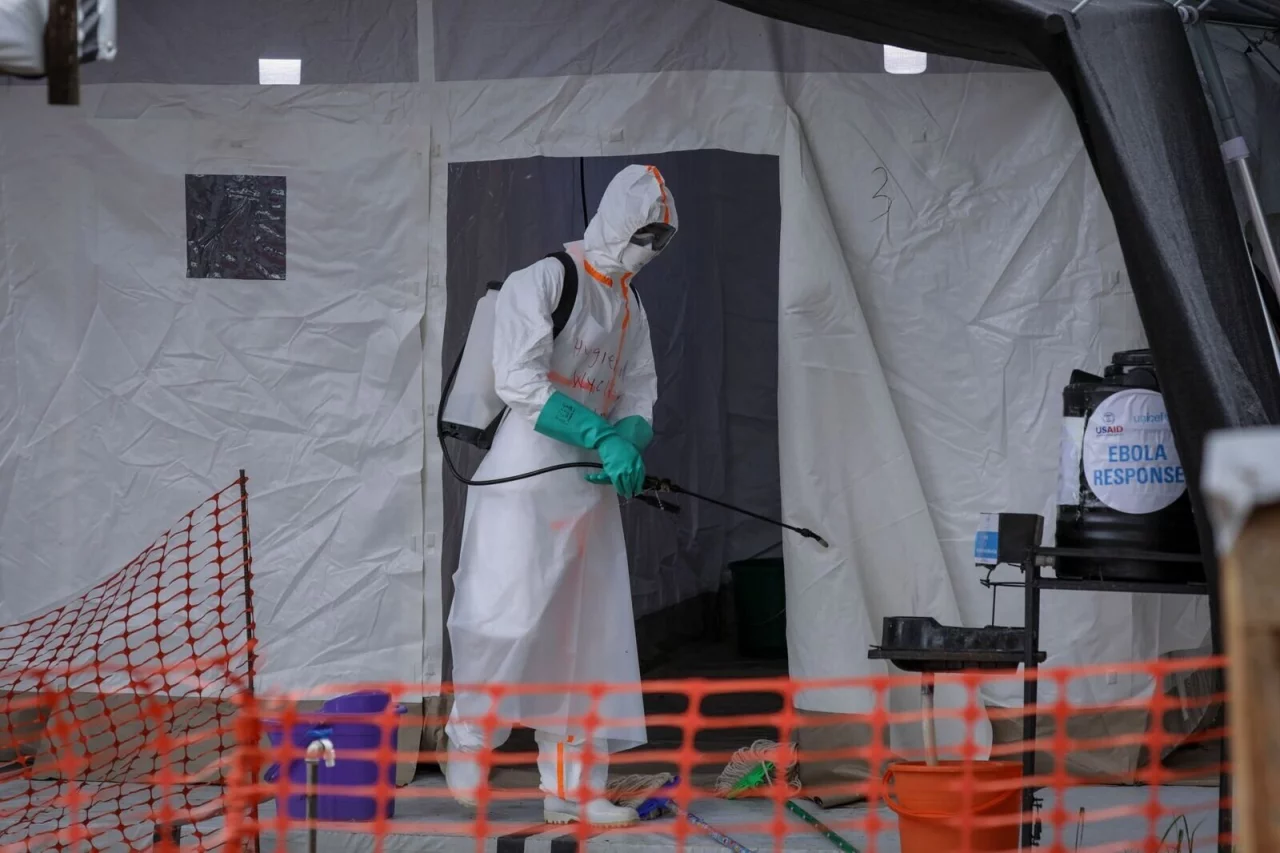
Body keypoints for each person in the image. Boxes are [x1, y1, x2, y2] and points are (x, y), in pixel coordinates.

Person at [444, 164, 677, 827]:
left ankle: (574, 788)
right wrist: (600, 433)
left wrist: (627, 438)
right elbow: (517, 378)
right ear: (615, 221)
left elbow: (639, 386)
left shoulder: (631, 304)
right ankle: (469, 738)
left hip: (589, 485)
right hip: (525, 474)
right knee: (504, 614)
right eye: (643, 233)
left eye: (661, 239)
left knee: (588, 635)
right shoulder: (545, 279)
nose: (649, 249)